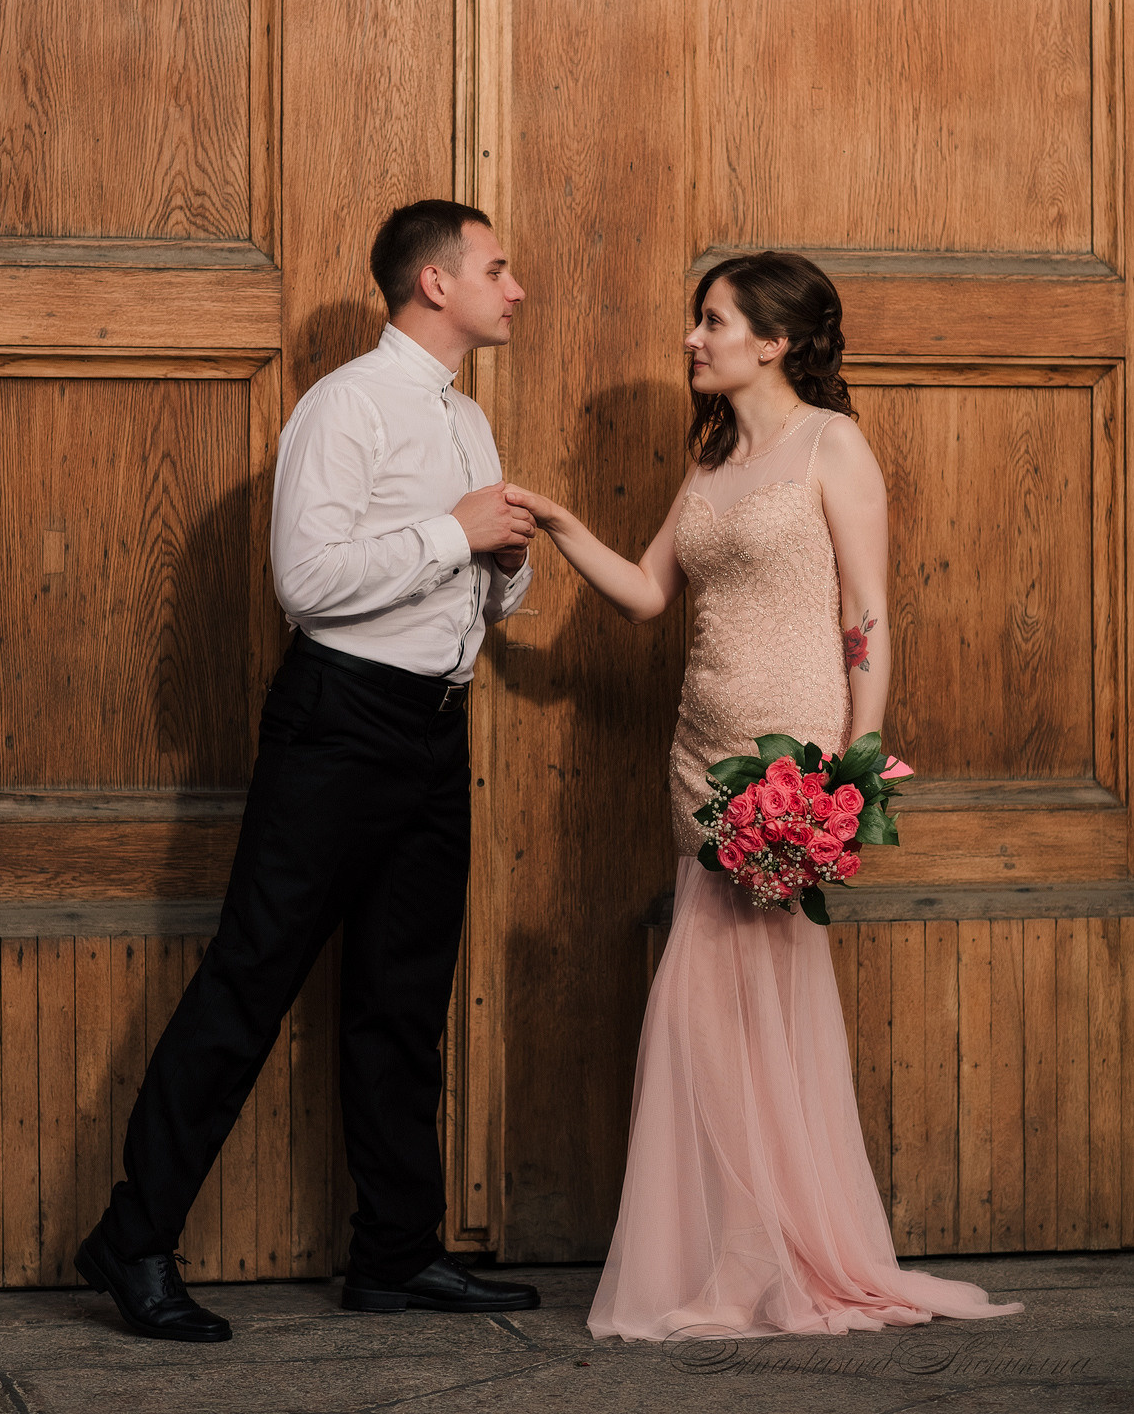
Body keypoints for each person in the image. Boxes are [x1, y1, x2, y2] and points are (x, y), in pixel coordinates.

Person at [506, 250, 1022, 1340]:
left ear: (774, 341)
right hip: (697, 753)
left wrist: (850, 767)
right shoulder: (707, 465)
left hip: (789, 754)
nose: (692, 338)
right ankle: (734, 1253)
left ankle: (775, 1258)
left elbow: (867, 617)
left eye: (713, 321)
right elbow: (649, 595)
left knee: (753, 1005)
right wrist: (557, 525)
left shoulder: (830, 445)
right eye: (695, 320)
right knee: (707, 1017)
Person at [76, 200, 541, 1340]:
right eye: (496, 267)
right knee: (247, 984)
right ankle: (131, 1244)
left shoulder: (468, 422)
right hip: (337, 725)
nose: (514, 286)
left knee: (403, 998)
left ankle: (393, 1254)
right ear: (434, 284)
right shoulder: (344, 406)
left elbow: (484, 584)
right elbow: (307, 581)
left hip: (436, 730)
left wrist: (502, 561)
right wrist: (454, 532)